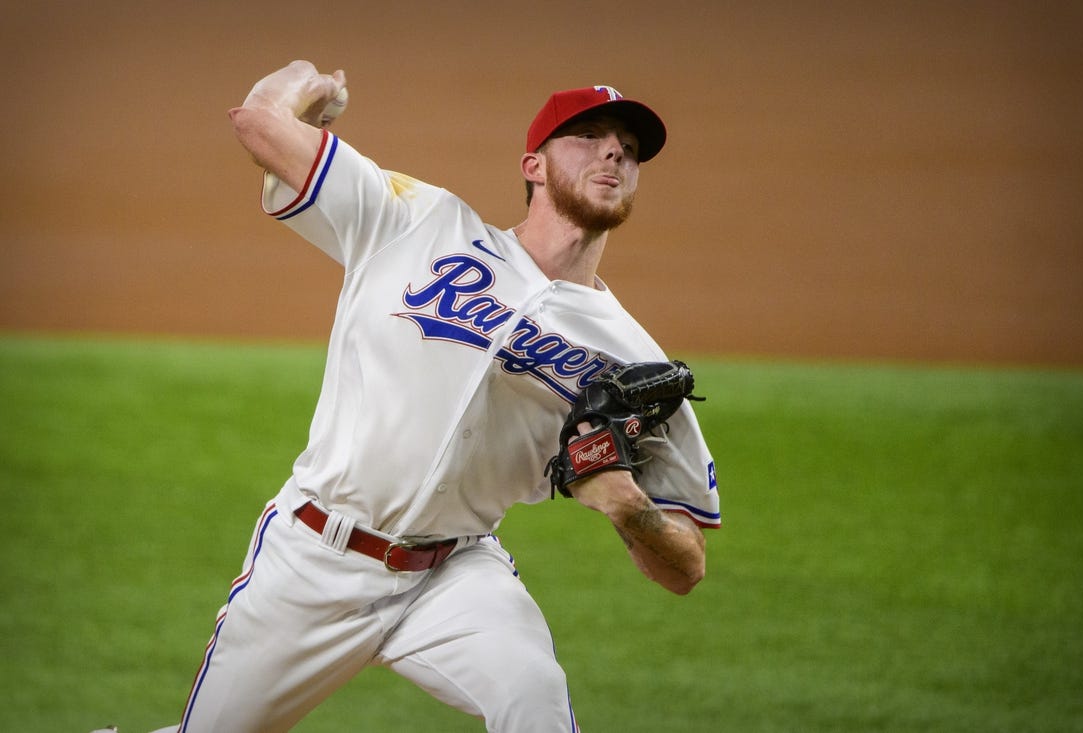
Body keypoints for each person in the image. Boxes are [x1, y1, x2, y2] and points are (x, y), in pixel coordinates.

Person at [157, 60, 721, 732]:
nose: (614, 153)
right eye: (591, 136)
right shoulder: (420, 222)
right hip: (310, 560)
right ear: (533, 166)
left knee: (535, 699)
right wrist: (307, 82)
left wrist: (630, 509)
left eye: (628, 150)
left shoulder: (632, 356)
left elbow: (685, 564)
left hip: (451, 572)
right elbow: (258, 121)